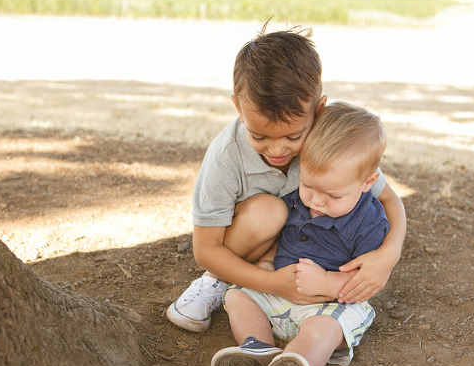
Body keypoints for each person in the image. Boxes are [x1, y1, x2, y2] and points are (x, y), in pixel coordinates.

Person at [166, 22, 406, 333]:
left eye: (293, 137)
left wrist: (388, 255)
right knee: (270, 211)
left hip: (302, 254)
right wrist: (272, 283)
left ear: (318, 110)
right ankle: (219, 281)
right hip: (249, 250)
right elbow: (206, 249)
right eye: (259, 136)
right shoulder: (226, 156)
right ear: (238, 107)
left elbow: (389, 199)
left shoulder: (328, 145)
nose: (277, 149)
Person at [211, 102, 390, 366]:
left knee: (322, 330)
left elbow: (366, 279)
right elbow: (283, 236)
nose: (317, 202)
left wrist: (326, 283)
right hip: (280, 292)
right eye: (308, 186)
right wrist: (267, 263)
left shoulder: (369, 222)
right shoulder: (297, 200)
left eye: (333, 196)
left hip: (329, 304)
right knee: (237, 296)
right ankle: (258, 348)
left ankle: (296, 362)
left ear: (367, 183)